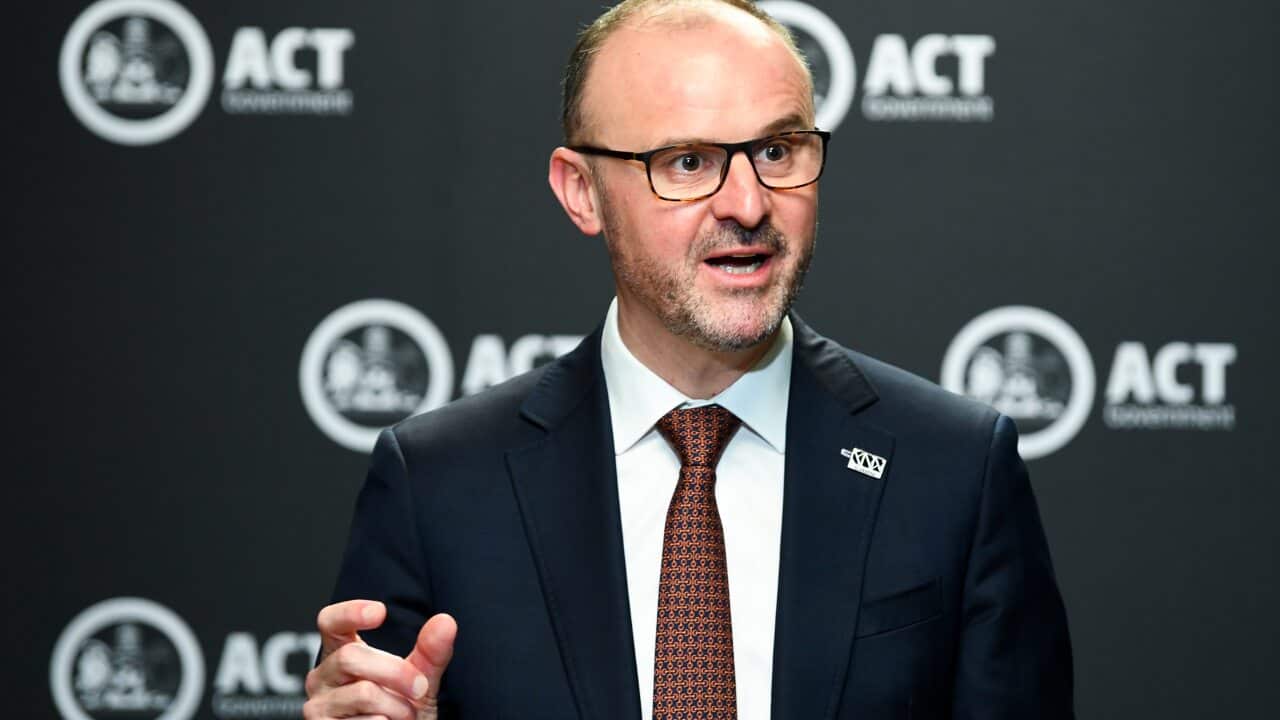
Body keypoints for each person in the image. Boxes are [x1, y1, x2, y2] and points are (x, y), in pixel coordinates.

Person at [302, 1, 1074, 718]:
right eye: (687, 163)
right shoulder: (437, 485)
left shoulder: (954, 470)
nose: (747, 203)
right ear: (582, 192)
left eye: (777, 149)